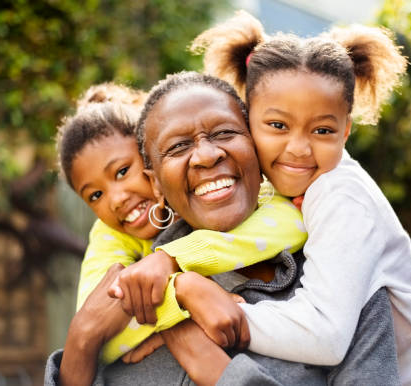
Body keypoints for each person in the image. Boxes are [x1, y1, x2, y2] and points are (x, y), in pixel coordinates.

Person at [190, 10, 411, 386]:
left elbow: (326, 336)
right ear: (247, 119)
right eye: (278, 125)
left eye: (322, 129)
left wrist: (234, 315)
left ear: (345, 131)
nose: (298, 148)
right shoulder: (272, 188)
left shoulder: (339, 195)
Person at [45, 71, 400, 385]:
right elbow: (90, 329)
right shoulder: (135, 293)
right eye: (178, 146)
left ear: (257, 147)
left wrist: (215, 369)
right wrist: (84, 338)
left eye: (226, 133)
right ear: (155, 183)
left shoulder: (343, 284)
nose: (206, 155)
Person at [53, 82, 307, 371]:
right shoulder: (110, 235)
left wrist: (172, 259)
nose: (116, 199)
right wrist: (180, 299)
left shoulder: (238, 193)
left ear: (153, 157)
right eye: (95, 195)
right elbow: (96, 319)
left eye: (123, 171)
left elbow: (292, 223)